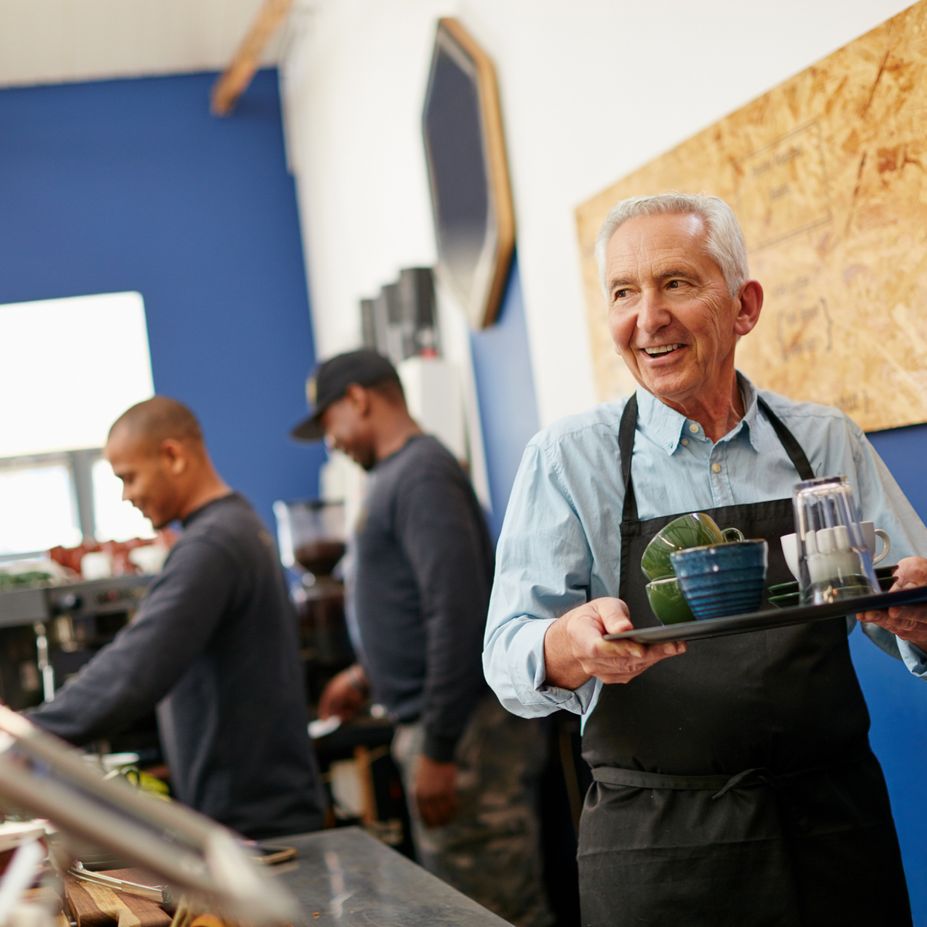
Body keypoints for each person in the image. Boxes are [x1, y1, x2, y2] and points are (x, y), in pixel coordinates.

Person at [483, 193, 927, 927]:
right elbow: (506, 653)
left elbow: (906, 600)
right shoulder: (568, 460)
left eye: (677, 283)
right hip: (660, 851)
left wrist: (916, 614)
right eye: (623, 292)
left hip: (833, 832)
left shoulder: (823, 440)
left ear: (744, 306)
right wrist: (565, 642)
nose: (646, 317)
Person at [291, 349, 553, 927]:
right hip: (445, 730)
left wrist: (438, 748)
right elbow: (413, 602)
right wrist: (366, 675)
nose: (331, 442)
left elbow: (455, 612)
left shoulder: (422, 473)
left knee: (491, 907)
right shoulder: (398, 475)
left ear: (357, 399)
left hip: (466, 738)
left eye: (329, 423)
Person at [28, 396, 326, 840]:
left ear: (173, 455)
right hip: (258, 813)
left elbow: (136, 666)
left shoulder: (213, 545)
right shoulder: (234, 526)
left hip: (256, 826)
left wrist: (28, 734)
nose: (127, 495)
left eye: (129, 477)